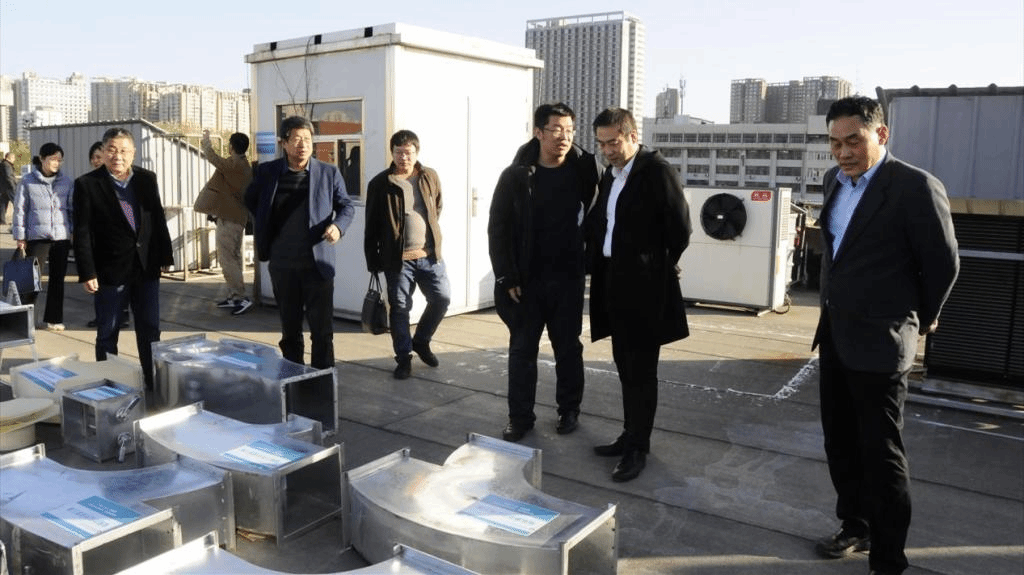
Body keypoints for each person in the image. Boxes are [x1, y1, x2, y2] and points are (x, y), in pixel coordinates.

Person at [812, 96, 959, 575]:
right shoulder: (834, 181)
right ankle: (855, 525)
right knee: (840, 443)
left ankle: (889, 559)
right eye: (835, 142)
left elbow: (943, 264)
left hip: (881, 343)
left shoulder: (915, 186)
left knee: (882, 454)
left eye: (853, 140)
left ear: (881, 134)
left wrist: (921, 317)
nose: (843, 152)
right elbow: (837, 255)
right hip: (835, 336)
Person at [586, 107, 691, 482]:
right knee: (625, 366)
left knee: (642, 371)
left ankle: (637, 448)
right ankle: (629, 434)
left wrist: (658, 264)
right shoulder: (611, 176)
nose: (607, 151)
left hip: (644, 287)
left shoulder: (657, 171)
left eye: (613, 143)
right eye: (601, 144)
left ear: (633, 136)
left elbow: (680, 229)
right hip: (613, 282)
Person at [488, 103, 598, 441]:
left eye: (569, 130)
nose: (564, 137)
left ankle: (569, 410)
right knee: (522, 351)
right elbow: (498, 228)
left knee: (568, 349)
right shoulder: (516, 175)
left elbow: (599, 215)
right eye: (556, 129)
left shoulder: (584, 170)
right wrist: (506, 275)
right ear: (538, 132)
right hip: (526, 282)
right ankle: (520, 418)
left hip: (568, 278)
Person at [245, 115, 354, 369]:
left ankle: (322, 378)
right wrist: (266, 224)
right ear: (284, 143)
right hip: (283, 265)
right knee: (290, 329)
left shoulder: (328, 172)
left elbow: (346, 206)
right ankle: (293, 376)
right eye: (296, 139)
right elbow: (250, 199)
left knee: (322, 330)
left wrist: (338, 227)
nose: (303, 145)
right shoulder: (267, 172)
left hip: (318, 264)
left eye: (307, 139)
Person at [73, 127, 175, 391]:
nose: (118, 156)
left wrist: (165, 254)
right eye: (112, 150)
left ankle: (152, 382)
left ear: (133, 153)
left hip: (145, 267)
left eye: (124, 151)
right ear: (103, 151)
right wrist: (87, 271)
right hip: (109, 269)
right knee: (108, 331)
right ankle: (110, 385)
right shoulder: (87, 184)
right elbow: (82, 231)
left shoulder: (146, 179)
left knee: (150, 329)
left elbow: (156, 218)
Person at [364, 130, 450, 379]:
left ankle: (421, 340)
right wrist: (373, 261)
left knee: (442, 298)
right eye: (399, 152)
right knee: (400, 308)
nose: (404, 157)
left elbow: (437, 206)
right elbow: (371, 225)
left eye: (409, 153)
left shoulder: (429, 176)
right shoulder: (381, 184)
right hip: (398, 261)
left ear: (417, 152)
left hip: (430, 256)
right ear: (392, 153)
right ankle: (403, 358)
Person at [12, 143, 74, 331]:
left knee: (57, 280)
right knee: (31, 280)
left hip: (61, 238)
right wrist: (20, 236)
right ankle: (26, 320)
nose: (57, 163)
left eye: (60, 160)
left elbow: (71, 209)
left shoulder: (66, 182)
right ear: (42, 158)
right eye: (53, 159)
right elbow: (20, 210)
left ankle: (54, 319)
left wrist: (71, 231)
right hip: (37, 238)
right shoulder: (27, 181)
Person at [197, 130, 254, 315]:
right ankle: (234, 296)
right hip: (235, 218)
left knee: (227, 259)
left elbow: (213, 158)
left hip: (230, 219)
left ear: (231, 147)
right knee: (234, 258)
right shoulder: (242, 165)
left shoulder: (235, 164)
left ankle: (240, 297)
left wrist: (206, 141)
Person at [84, 141, 130, 329]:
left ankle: (122, 315)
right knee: (99, 283)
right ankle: (102, 316)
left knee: (120, 282)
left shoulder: (120, 183)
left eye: (99, 157)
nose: (96, 161)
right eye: (93, 158)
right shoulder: (88, 184)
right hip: (96, 243)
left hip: (117, 243)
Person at [1, 152, 15, 225]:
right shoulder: (7, 165)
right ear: (10, 157)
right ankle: (18, 220)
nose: (14, 159)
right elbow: (8, 177)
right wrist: (13, 187)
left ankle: (2, 221)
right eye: (13, 158)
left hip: (3, 188)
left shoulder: (2, 164)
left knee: (3, 204)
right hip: (9, 188)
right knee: (17, 203)